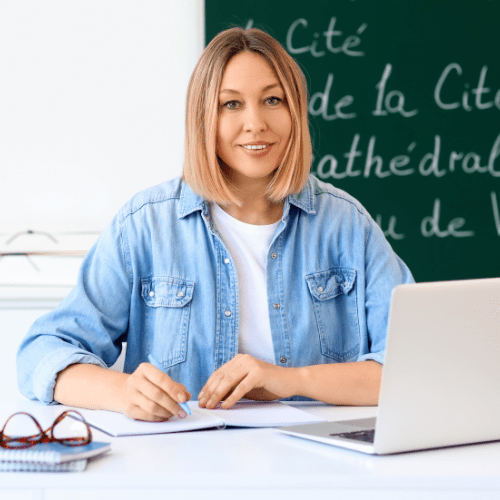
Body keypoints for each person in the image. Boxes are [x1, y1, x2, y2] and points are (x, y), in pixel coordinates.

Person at [17, 28, 413, 422]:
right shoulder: (145, 226)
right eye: (231, 104)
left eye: (272, 100)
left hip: (320, 468)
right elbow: (41, 354)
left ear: (295, 110)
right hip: (184, 467)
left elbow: (412, 370)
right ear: (204, 116)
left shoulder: (347, 225)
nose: (255, 123)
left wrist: (292, 380)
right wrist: (122, 392)